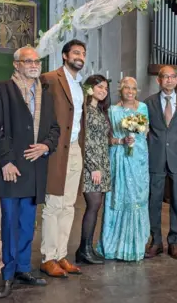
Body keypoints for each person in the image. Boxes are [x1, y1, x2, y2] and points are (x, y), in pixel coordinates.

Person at [0, 46, 60, 298]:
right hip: (12, 168)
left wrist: (46, 145)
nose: (34, 65)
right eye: (28, 61)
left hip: (36, 168)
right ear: (16, 64)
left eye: (37, 61)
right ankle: (8, 275)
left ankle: (23, 269)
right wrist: (4, 161)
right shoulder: (1, 89)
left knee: (28, 223)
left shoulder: (46, 93)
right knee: (9, 224)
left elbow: (55, 128)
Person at [39, 39, 86, 277]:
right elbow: (41, 114)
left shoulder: (80, 85)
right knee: (53, 204)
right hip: (56, 148)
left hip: (76, 147)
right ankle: (48, 257)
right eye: (76, 52)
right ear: (65, 56)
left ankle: (61, 254)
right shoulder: (49, 79)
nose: (80, 56)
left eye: (83, 53)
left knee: (69, 206)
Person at [96, 77, 150, 261]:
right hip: (119, 158)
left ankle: (135, 246)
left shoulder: (143, 108)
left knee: (137, 199)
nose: (130, 91)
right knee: (118, 197)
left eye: (133, 88)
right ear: (120, 89)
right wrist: (121, 141)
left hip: (138, 160)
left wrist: (136, 134)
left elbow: (146, 131)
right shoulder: (112, 111)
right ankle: (114, 245)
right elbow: (107, 138)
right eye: (126, 87)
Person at [143, 66, 177, 260]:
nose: (169, 80)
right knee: (153, 201)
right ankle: (156, 241)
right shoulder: (148, 103)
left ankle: (174, 242)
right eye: (165, 77)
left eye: (172, 77)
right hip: (155, 159)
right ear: (159, 80)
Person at [75, 75, 111, 265]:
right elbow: (86, 140)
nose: (103, 91)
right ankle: (83, 250)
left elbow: (103, 139)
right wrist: (93, 167)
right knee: (93, 206)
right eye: (99, 87)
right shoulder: (86, 111)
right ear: (90, 88)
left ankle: (87, 247)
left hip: (103, 164)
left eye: (105, 88)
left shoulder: (100, 111)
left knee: (96, 207)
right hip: (93, 166)